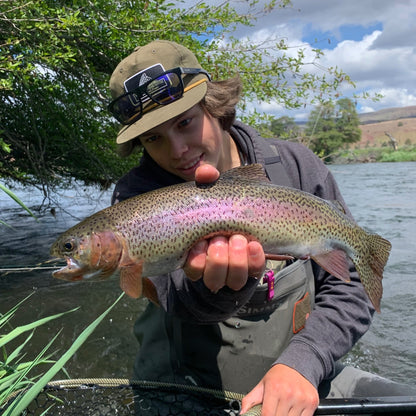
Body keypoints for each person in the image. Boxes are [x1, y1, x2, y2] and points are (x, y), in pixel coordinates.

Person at [108, 40, 415, 416]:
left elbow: (349, 291)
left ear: (212, 105)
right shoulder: (135, 201)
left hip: (296, 375)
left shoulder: (297, 167)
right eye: (153, 138)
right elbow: (178, 301)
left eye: (185, 122)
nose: (177, 150)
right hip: (179, 386)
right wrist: (213, 289)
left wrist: (304, 361)